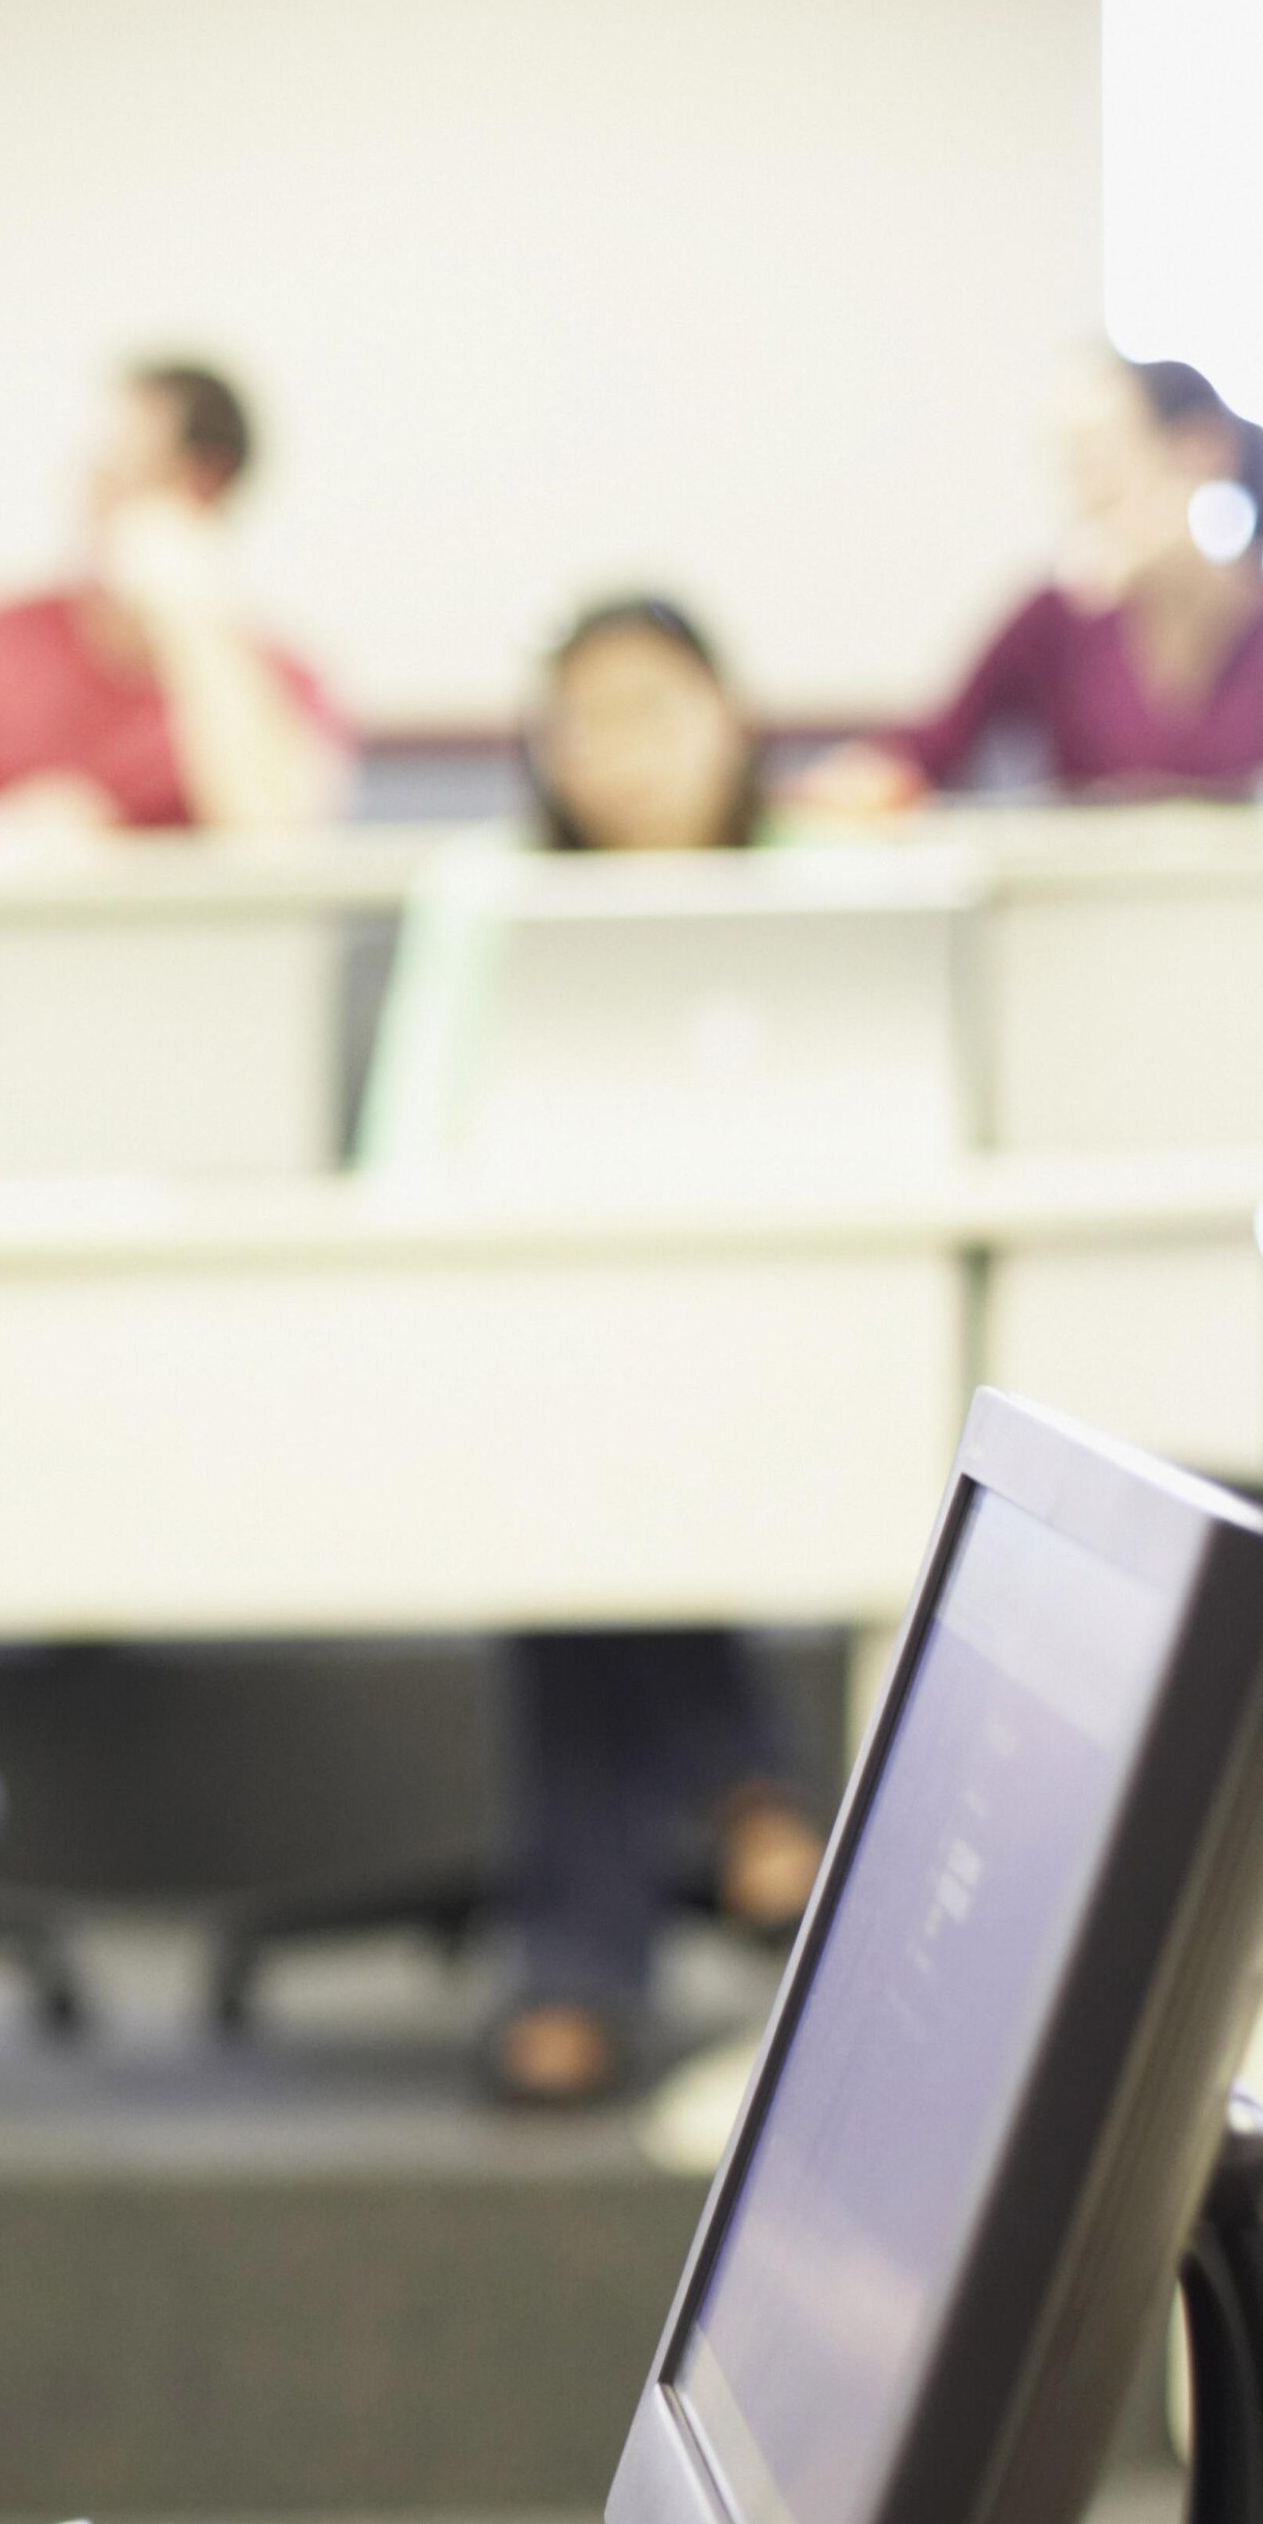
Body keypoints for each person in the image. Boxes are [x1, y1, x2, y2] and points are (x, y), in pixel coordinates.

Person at [363, 598, 826, 2104]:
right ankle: (750, 1787)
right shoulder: (491, 894)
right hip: (554, 1331)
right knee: (577, 1475)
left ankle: (575, 1964)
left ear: (730, 716)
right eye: (585, 718)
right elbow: (411, 1153)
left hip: (798, 1338)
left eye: (654, 709)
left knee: (585, 1496)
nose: (619, 754)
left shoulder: (830, 889)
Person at [0, 359, 352, 842]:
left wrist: (194, 618)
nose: (93, 494)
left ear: (202, 486)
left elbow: (274, 836)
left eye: (122, 469)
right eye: (93, 467)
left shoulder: (277, 677)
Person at [793, 356, 1263, 812]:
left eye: (1105, 457)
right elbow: (935, 744)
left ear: (1199, 452)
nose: (1087, 493)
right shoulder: (1056, 622)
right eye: (1075, 466)